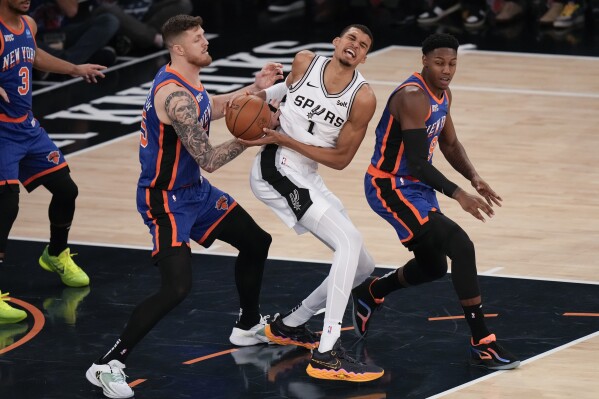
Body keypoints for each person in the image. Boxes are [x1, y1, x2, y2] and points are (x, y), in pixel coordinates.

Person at [85, 15, 283, 399]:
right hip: (166, 201)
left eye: (204, 34)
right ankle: (106, 363)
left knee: (256, 241)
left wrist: (255, 90)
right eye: (197, 38)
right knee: (177, 288)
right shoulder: (174, 97)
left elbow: (213, 106)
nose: (205, 42)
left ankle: (246, 324)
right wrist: (254, 135)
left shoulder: (187, 81)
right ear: (179, 48)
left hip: (195, 191)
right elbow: (208, 157)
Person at [351, 33, 520, 371]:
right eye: (440, 63)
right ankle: (482, 342)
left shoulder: (443, 94)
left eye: (453, 63)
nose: (447, 70)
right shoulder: (412, 97)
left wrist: (474, 177)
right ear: (424, 60)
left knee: (434, 267)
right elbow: (417, 162)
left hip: (416, 188)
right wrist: (458, 195)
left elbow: (451, 144)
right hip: (391, 186)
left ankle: (371, 292)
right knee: (461, 245)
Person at [240, 24, 384, 382]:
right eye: (351, 38)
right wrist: (256, 96)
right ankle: (327, 352)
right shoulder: (305, 62)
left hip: (307, 170)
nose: (355, 46)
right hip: (276, 168)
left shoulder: (363, 97)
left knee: (363, 264)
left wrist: (288, 139)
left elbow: (339, 159)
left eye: (363, 45)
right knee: (347, 242)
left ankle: (291, 324)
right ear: (337, 43)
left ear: (365, 57)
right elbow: (280, 92)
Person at [0, 0, 106, 324]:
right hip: (2, 133)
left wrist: (75, 69)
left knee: (65, 189)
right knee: (7, 205)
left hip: (27, 128)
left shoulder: (28, 25)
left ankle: (56, 253)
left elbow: (34, 55)